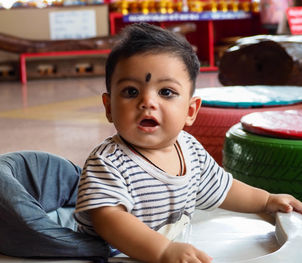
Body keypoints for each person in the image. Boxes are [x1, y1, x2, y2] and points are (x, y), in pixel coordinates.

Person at [74, 22, 302, 263]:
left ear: (191, 110)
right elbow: (108, 220)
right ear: (109, 107)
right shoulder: (108, 162)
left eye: (166, 92)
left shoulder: (189, 149)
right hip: (110, 257)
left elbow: (224, 189)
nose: (147, 102)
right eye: (131, 92)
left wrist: (265, 201)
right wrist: (162, 251)